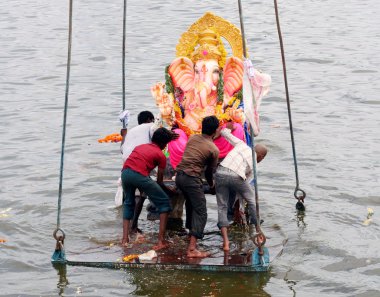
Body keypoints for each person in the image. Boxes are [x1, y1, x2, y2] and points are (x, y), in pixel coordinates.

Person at [214, 122, 267, 251]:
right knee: (252, 200)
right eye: (262, 158)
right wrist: (241, 206)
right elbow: (245, 185)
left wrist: (229, 128)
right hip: (236, 176)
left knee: (222, 206)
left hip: (220, 172)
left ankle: (226, 243)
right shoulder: (255, 164)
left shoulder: (241, 144)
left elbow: (224, 133)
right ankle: (258, 231)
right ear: (260, 156)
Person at [121, 127, 175, 250]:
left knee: (129, 203)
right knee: (164, 204)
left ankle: (124, 240)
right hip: (138, 176)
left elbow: (139, 165)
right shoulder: (160, 155)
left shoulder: (140, 147)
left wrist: (143, 185)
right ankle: (161, 241)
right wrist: (168, 190)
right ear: (163, 144)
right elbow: (160, 182)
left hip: (125, 174)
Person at [175, 115, 220, 258]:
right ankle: (192, 249)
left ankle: (190, 235)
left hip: (179, 177)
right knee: (201, 211)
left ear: (202, 127)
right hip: (191, 179)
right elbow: (208, 172)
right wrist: (212, 186)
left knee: (190, 205)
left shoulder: (193, 138)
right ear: (216, 131)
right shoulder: (213, 149)